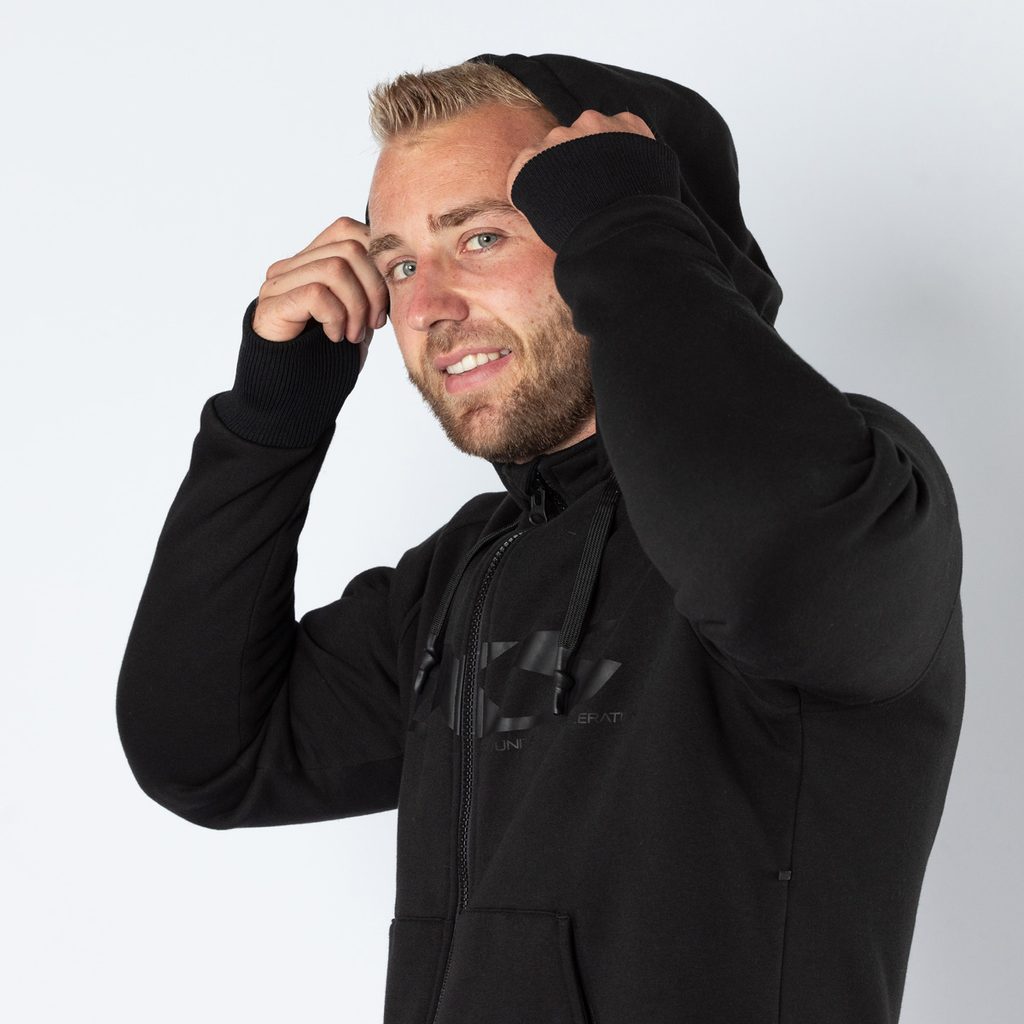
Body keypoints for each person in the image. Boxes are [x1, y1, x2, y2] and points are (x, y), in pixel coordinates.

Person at [116, 52, 965, 1024]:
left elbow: (776, 564)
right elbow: (206, 750)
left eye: (479, 237)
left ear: (622, 219)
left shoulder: (850, 485)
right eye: (399, 265)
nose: (424, 309)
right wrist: (271, 422)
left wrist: (636, 231)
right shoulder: (467, 571)